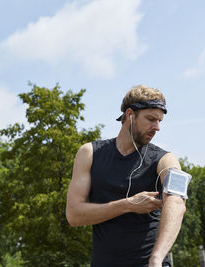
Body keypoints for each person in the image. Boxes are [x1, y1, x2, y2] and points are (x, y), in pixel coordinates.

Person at [66, 85, 187, 267]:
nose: (157, 127)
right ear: (130, 115)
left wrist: (157, 258)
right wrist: (128, 205)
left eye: (160, 120)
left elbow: (177, 203)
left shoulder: (165, 160)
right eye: (151, 119)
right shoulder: (89, 153)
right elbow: (74, 215)